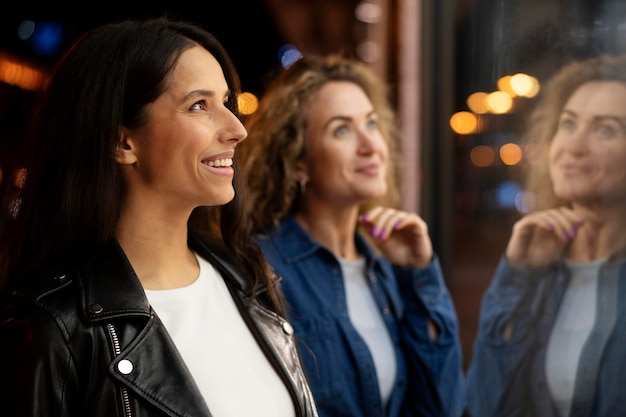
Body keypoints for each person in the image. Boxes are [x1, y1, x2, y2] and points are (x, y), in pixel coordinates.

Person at [0, 17, 319, 417]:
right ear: (122, 142)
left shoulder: (248, 278)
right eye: (199, 105)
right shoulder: (53, 330)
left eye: (227, 103)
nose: (237, 129)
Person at [239, 54, 465, 417]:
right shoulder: (260, 268)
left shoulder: (384, 270)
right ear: (298, 161)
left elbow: (441, 406)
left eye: (371, 124)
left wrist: (420, 274)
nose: (370, 145)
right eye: (341, 129)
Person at [465, 53, 626, 417]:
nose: (574, 145)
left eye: (605, 129)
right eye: (567, 124)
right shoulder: (536, 269)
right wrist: (517, 274)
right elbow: (485, 406)